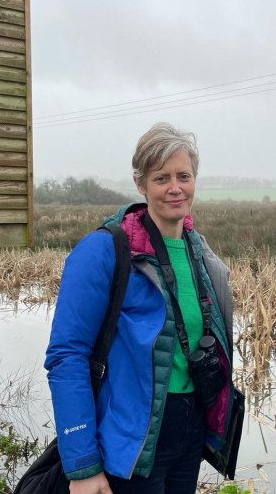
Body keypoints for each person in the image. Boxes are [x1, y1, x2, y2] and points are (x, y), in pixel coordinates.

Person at [45, 123, 236, 494]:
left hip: (190, 431)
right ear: (140, 184)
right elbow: (66, 356)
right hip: (129, 441)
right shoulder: (103, 251)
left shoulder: (201, 253)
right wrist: (82, 465)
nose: (175, 187)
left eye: (184, 175)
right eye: (161, 177)